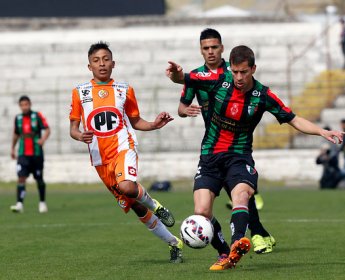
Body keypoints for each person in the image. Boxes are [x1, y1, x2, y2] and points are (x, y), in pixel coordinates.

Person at [167, 45, 345, 270]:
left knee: (241, 196)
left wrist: (322, 131)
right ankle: (223, 252)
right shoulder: (217, 81)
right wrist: (175, 75)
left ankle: (235, 246)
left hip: (239, 158)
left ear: (253, 69)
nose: (239, 77)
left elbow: (294, 119)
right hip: (210, 157)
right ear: (230, 69)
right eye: (235, 71)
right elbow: (183, 78)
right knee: (202, 212)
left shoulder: (263, 95)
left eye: (244, 72)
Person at [69, 41, 183, 263]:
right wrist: (80, 135)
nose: (101, 64)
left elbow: (135, 120)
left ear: (113, 63)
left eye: (105, 59)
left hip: (124, 147)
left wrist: (153, 124)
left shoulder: (124, 90)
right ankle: (174, 243)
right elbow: (73, 129)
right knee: (135, 206)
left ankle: (157, 206)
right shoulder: (79, 93)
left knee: (127, 187)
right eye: (96, 60)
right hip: (101, 160)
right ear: (89, 66)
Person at [175, 28, 275, 267]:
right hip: (212, 145)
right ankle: (244, 241)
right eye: (205, 48)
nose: (210, 52)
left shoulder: (232, 73)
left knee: (242, 194)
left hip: (237, 146)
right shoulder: (197, 76)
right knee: (207, 207)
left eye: (214, 47)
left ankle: (254, 236)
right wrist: (185, 111)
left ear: (222, 48)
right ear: (201, 50)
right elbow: (181, 105)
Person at [10, 95, 50, 213]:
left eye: (26, 104)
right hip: (23, 154)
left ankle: (42, 202)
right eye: (22, 105)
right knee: (21, 178)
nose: (24, 107)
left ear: (30, 104)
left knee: (39, 179)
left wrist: (43, 139)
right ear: (19, 106)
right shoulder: (18, 118)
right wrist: (12, 148)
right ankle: (19, 204)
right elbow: (16, 134)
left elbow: (47, 129)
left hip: (36, 153)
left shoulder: (37, 116)